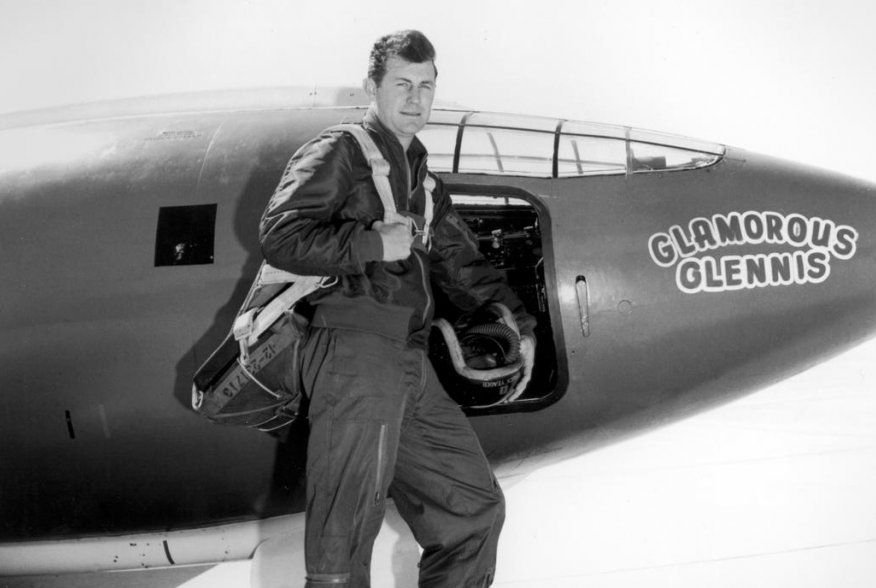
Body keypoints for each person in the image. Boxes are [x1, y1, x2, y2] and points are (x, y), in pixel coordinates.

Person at [259, 29, 536, 588]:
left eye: (426, 86)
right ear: (372, 87)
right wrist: (370, 244)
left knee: (472, 512)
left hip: (408, 362)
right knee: (343, 541)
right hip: (353, 351)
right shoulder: (340, 149)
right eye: (402, 84)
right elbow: (279, 235)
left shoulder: (424, 183)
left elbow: (464, 267)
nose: (415, 98)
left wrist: (520, 324)